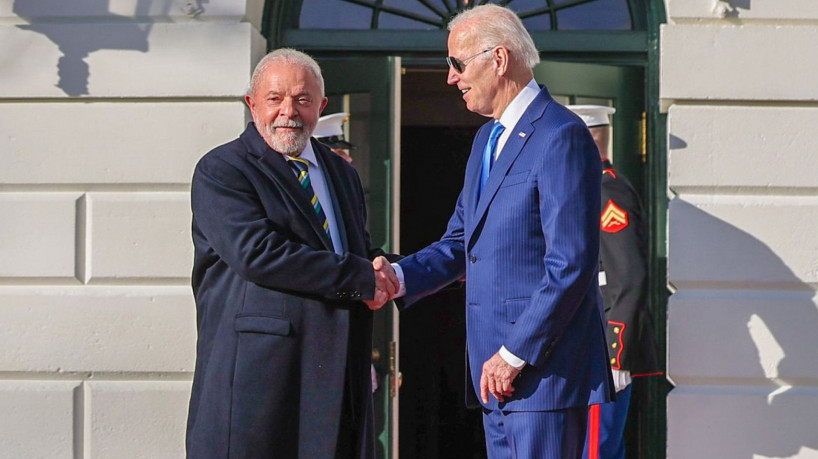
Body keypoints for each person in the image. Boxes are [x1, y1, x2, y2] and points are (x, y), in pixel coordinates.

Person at [388, 5, 615, 458]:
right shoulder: (487, 140)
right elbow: (460, 242)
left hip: (542, 376)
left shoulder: (560, 135)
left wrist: (514, 353)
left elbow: (570, 262)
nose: (451, 78)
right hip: (495, 376)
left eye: (457, 63)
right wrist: (395, 277)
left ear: (498, 59)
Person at [186, 48, 399, 459]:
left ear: (321, 106)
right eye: (275, 98)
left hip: (338, 382)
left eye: (302, 100)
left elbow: (355, 252)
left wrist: (402, 272)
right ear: (252, 104)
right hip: (260, 385)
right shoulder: (223, 169)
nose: (289, 111)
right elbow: (257, 254)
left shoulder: (341, 173)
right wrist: (361, 278)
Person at [567, 105, 661, 459]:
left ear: (587, 139)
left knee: (596, 451)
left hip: (603, 352)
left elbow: (628, 275)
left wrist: (616, 355)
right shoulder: (587, 188)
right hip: (588, 348)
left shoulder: (606, 191)